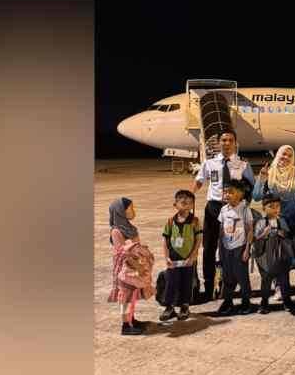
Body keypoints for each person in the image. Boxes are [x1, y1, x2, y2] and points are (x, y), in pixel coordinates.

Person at [193, 128, 255, 303]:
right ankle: (209, 286)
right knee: (209, 247)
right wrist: (189, 197)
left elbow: (251, 187)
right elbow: (199, 181)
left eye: (230, 140)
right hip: (213, 208)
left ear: (235, 143)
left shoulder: (243, 164)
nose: (227, 143)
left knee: (232, 249)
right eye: (224, 140)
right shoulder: (209, 163)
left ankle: (231, 285)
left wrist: (244, 207)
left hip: (234, 210)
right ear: (218, 143)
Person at [252, 144, 295, 296]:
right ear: (278, 154)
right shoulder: (269, 173)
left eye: (290, 155)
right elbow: (256, 196)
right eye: (283, 154)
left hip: (294, 220)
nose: (286, 157)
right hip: (276, 222)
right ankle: (280, 287)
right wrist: (261, 178)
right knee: (278, 255)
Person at [107, 198, 156, 335]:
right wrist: (136, 265)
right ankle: (125, 325)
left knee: (133, 294)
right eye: (130, 208)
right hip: (126, 269)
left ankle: (131, 319)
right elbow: (123, 252)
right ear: (121, 212)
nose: (133, 211)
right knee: (126, 296)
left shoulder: (130, 228)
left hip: (136, 267)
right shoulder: (116, 231)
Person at [158, 190, 203, 322]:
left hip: (188, 258)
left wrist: (193, 256)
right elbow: (165, 241)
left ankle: (185, 306)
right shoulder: (170, 221)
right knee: (171, 282)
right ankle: (169, 307)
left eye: (188, 201)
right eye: (181, 200)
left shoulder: (195, 221)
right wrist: (166, 257)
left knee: (186, 282)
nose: (185, 202)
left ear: (192, 205)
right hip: (174, 258)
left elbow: (198, 240)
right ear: (175, 204)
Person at [215, 178, 255, 315]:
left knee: (241, 276)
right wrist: (219, 250)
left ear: (240, 194)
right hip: (226, 248)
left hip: (240, 247)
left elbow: (250, 230)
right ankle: (228, 301)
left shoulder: (244, 210)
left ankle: (246, 301)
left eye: (230, 192)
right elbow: (221, 231)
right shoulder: (223, 210)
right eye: (225, 192)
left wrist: (247, 249)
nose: (226, 195)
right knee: (227, 277)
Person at [252, 193, 295, 314]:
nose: (275, 209)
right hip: (266, 257)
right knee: (266, 280)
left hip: (281, 256)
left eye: (277, 206)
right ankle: (264, 302)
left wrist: (283, 233)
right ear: (264, 208)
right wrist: (264, 234)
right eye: (271, 206)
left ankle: (287, 300)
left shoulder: (282, 220)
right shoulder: (261, 222)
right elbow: (256, 239)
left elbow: (288, 235)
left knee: (284, 280)